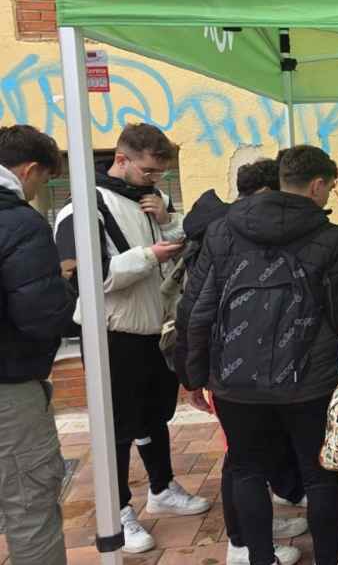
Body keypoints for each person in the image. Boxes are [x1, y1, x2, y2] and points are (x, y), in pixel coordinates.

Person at [180, 145, 338, 565]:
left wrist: (193, 375)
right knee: (319, 473)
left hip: (234, 381)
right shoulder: (330, 238)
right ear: (318, 185)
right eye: (330, 187)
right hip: (308, 380)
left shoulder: (222, 231)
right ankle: (329, 560)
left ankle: (261, 559)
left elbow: (196, 309)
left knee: (246, 470)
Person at [55, 123, 210, 554]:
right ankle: (118, 510)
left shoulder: (153, 199)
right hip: (111, 334)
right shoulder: (84, 206)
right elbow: (87, 277)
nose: (155, 180)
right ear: (121, 159)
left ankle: (161, 488)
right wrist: (148, 256)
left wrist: (169, 221)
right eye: (148, 172)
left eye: (161, 173)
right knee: (116, 426)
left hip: (152, 329)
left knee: (155, 414)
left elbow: (178, 244)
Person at [171, 159, 306, 565]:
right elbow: (192, 311)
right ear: (267, 192)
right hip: (228, 367)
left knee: (250, 452)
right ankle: (241, 542)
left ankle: (256, 525)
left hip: (235, 365)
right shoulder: (226, 233)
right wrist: (192, 376)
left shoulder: (231, 228)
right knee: (240, 458)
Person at [0, 125, 75, 565]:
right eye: (44, 182)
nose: (41, 192)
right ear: (29, 170)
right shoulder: (19, 222)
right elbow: (42, 316)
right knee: (29, 505)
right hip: (9, 387)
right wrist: (62, 283)